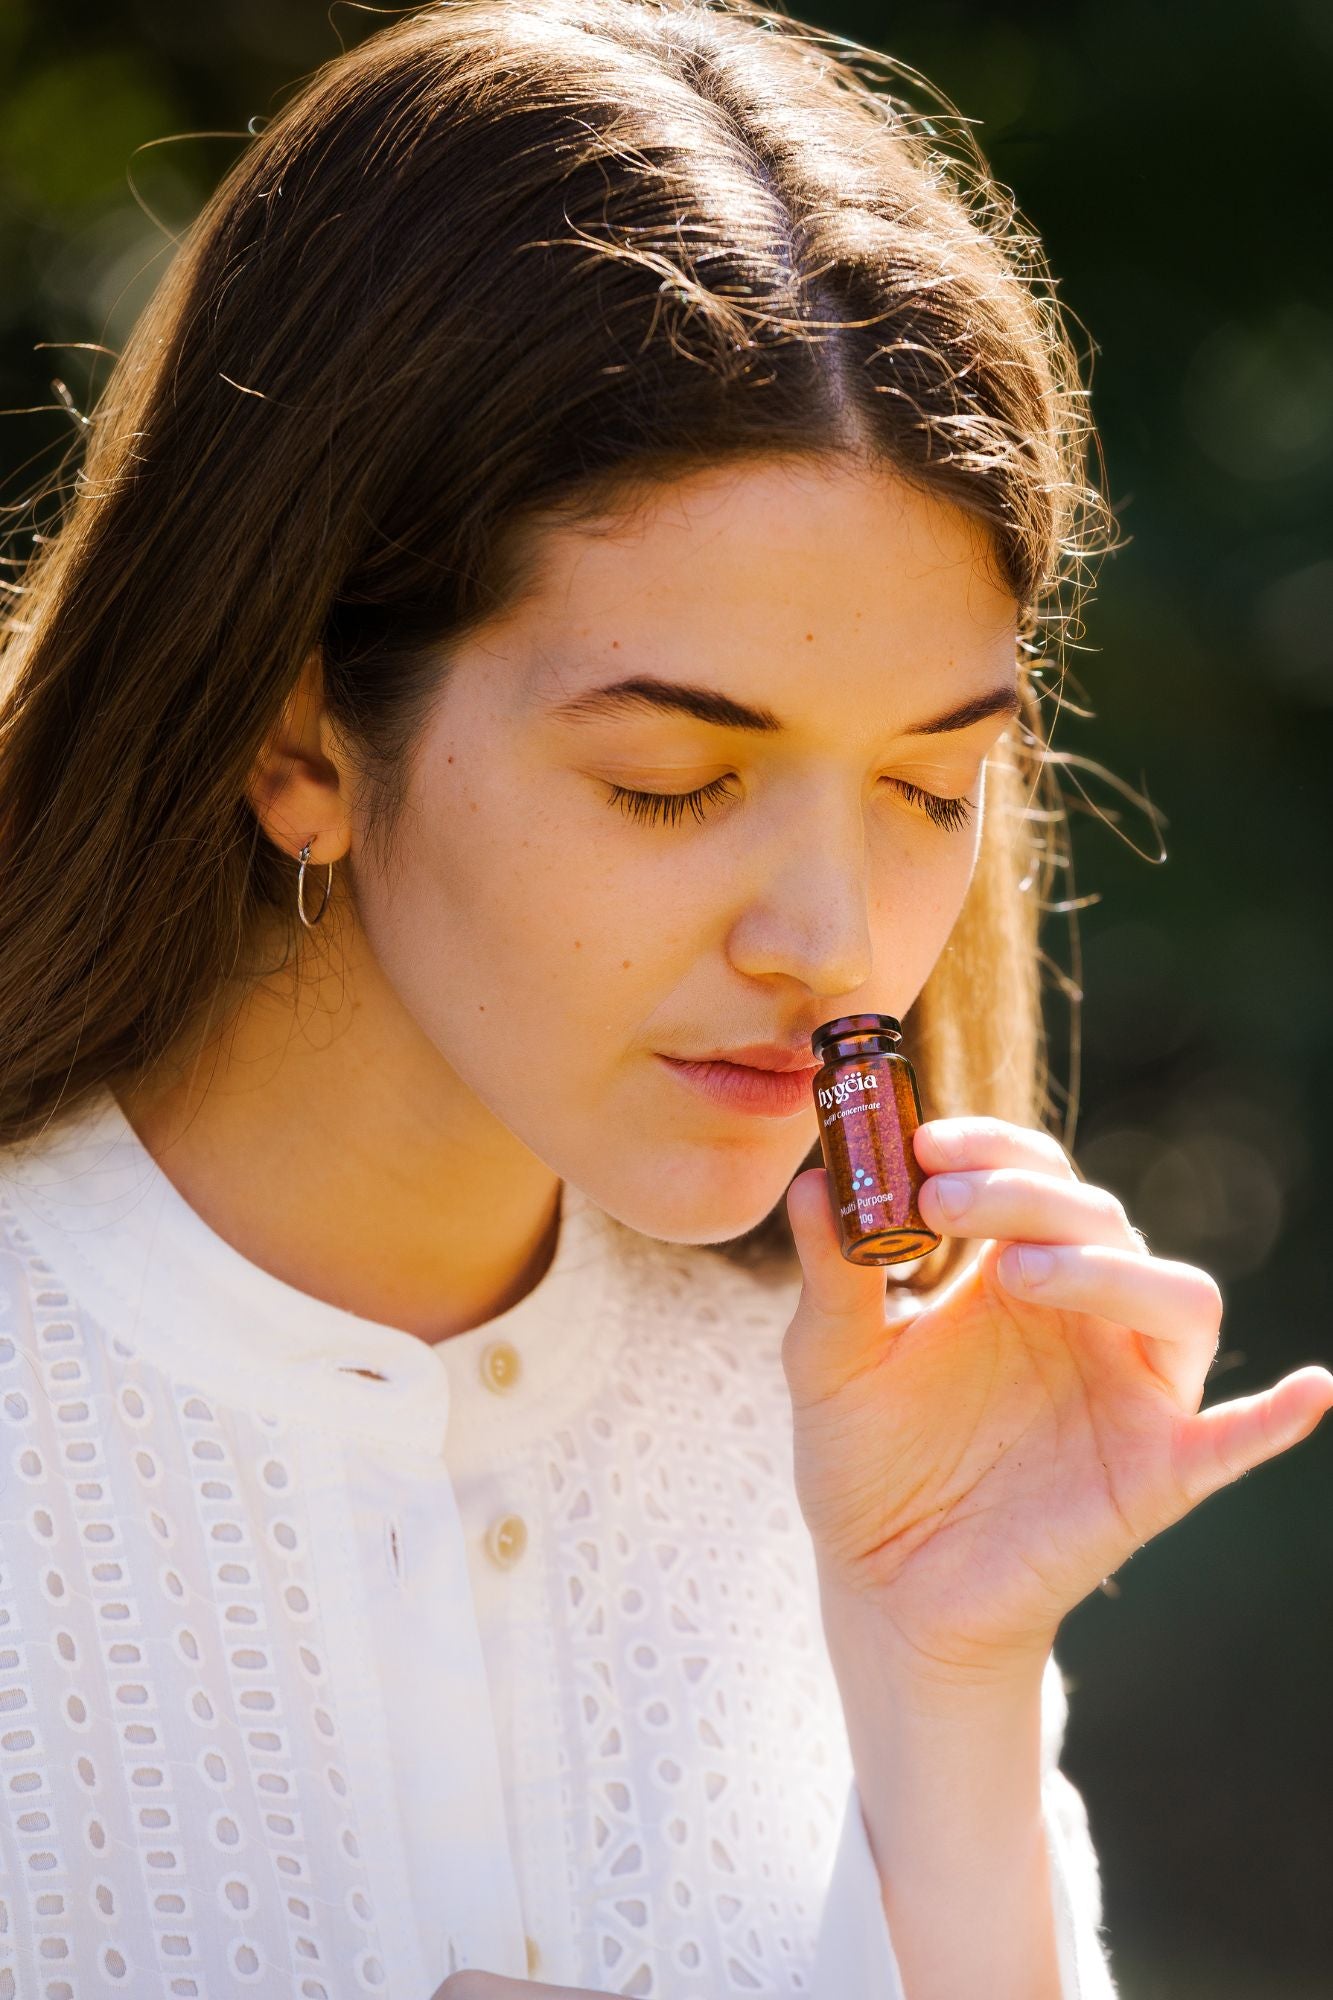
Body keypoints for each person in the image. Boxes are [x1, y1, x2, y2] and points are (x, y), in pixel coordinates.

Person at [1, 3, 1328, 1996]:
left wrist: (942, 1664)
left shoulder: (859, 1428)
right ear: (299, 736)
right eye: (672, 780)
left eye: (925, 787)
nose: (835, 937)